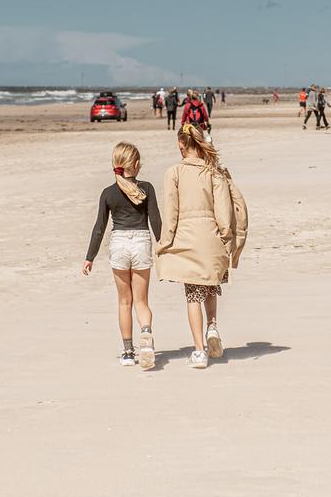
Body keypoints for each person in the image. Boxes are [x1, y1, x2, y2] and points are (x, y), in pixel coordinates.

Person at [156, 124, 248, 368]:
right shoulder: (214, 173)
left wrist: (164, 244)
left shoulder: (173, 172)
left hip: (187, 239)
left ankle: (199, 350)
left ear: (181, 145)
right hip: (212, 239)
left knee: (193, 295)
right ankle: (213, 327)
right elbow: (224, 212)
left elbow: (171, 212)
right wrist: (226, 238)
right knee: (209, 286)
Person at [82, 142, 163, 368]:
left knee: (124, 302)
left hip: (118, 244)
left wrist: (90, 257)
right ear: (136, 165)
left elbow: (99, 227)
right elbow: (155, 221)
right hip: (141, 243)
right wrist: (164, 247)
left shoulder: (108, 193)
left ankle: (128, 352)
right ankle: (146, 336)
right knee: (141, 301)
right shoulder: (147, 188)